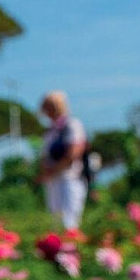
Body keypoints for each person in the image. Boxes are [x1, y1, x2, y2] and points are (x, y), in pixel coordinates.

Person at [38, 90, 87, 230]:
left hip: (69, 178)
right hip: (53, 181)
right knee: (56, 221)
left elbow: (74, 153)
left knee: (69, 221)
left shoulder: (72, 125)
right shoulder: (50, 130)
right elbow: (45, 155)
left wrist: (53, 171)